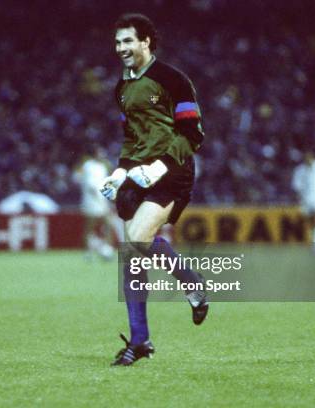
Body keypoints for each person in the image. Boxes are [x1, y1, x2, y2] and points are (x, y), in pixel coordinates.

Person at [100, 13, 209, 366]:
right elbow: (131, 141)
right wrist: (119, 173)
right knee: (135, 246)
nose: (121, 48)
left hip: (173, 171)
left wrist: (160, 166)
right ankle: (189, 287)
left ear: (146, 41)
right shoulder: (122, 88)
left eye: (128, 41)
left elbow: (193, 134)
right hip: (141, 174)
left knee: (134, 242)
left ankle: (141, 339)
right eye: (118, 42)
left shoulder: (174, 80)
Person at [73, 148, 116, 261]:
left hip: (102, 199)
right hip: (91, 200)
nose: (102, 155)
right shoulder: (88, 166)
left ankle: (107, 249)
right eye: (100, 153)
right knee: (90, 227)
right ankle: (87, 252)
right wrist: (99, 198)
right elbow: (90, 184)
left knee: (108, 224)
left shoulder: (102, 167)